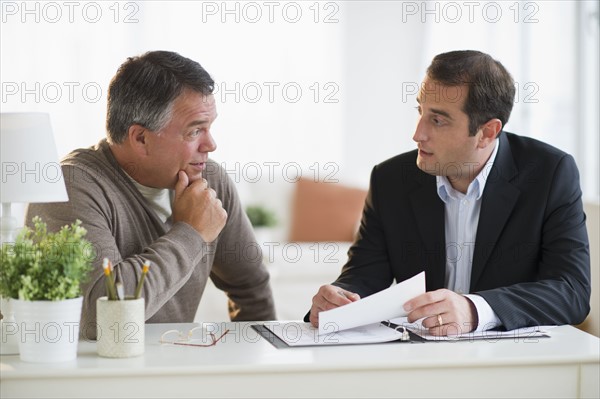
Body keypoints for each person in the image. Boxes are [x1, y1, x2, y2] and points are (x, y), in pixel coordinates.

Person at [307, 50, 591, 336]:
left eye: (438, 120)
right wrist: (339, 300)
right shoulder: (390, 179)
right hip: (421, 358)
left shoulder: (550, 173)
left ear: (487, 132)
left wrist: (474, 309)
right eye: (420, 112)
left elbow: (571, 292)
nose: (418, 134)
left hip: (510, 359)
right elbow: (365, 274)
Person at [26, 51, 276, 338]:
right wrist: (191, 233)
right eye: (195, 131)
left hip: (172, 371)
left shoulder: (211, 180)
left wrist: (260, 369)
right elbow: (103, 318)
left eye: (210, 128)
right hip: (94, 377)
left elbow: (251, 288)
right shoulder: (72, 184)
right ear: (140, 138)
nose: (211, 144)